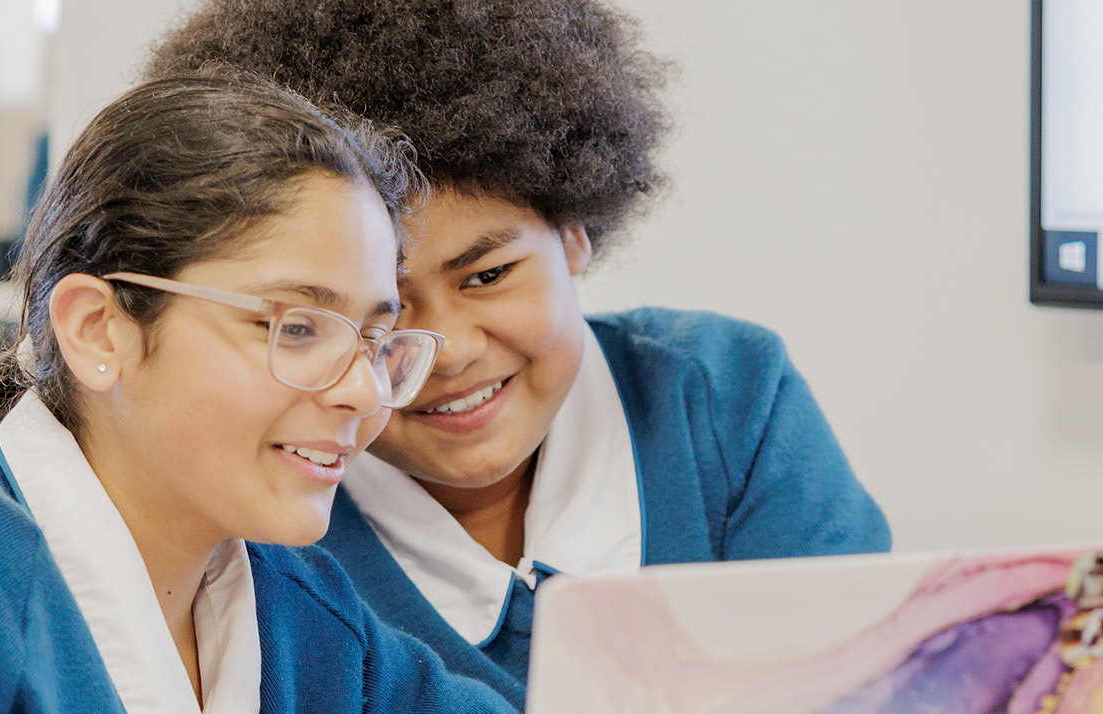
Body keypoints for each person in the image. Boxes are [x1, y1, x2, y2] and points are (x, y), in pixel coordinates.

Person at [149, 0, 892, 704]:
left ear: (574, 232)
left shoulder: (729, 404)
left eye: (489, 275)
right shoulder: (266, 518)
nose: (449, 350)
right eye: (389, 305)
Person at [0, 71, 515, 713]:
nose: (362, 393)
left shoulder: (310, 621)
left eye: (378, 341)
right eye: (298, 328)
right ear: (99, 330)